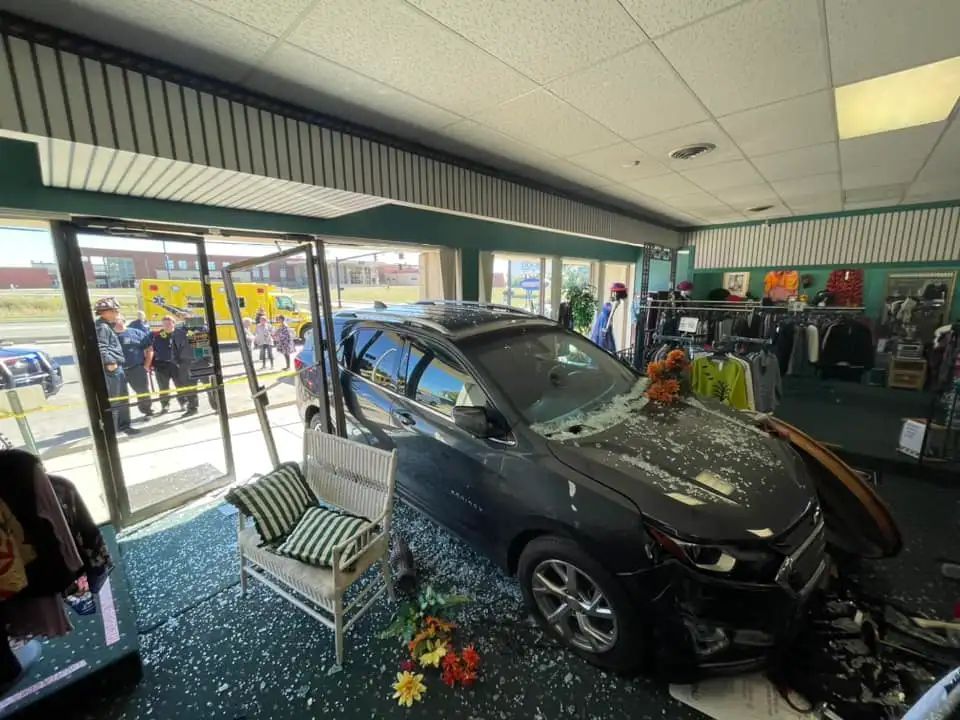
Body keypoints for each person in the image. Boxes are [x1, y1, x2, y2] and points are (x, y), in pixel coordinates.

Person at [93, 297, 139, 436]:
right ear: (105, 312)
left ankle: (123, 426)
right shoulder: (102, 327)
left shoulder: (106, 325)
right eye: (115, 310)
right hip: (112, 369)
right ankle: (113, 431)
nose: (117, 313)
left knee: (122, 398)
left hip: (116, 367)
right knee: (115, 400)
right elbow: (101, 346)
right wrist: (110, 363)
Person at [114, 315, 154, 420]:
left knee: (142, 392)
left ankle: (147, 411)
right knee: (119, 395)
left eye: (116, 320)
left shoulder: (136, 333)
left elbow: (149, 349)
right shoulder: (109, 335)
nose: (114, 322)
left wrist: (146, 366)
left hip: (136, 369)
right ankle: (121, 419)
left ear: (123, 321)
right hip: (117, 370)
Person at [150, 315, 185, 414]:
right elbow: (151, 350)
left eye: (169, 323)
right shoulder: (157, 336)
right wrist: (151, 364)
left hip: (177, 365)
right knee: (163, 388)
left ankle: (183, 403)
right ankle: (165, 406)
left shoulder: (180, 334)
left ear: (174, 323)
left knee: (180, 386)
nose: (167, 326)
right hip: (161, 366)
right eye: (164, 324)